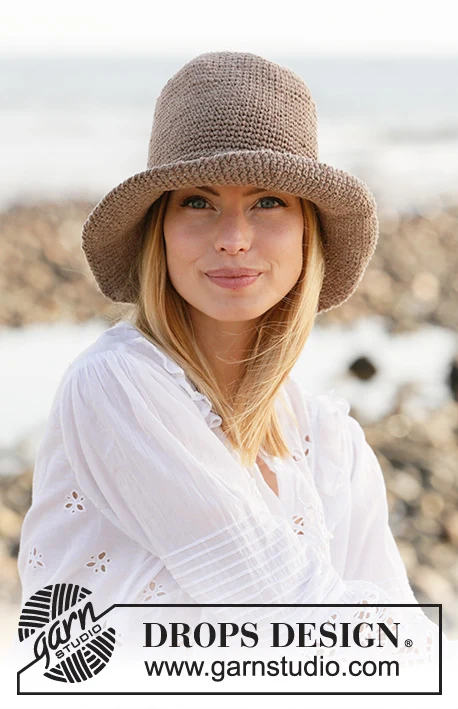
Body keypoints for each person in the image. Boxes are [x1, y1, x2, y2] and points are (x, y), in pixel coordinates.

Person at [17, 51, 456, 675]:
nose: (233, 238)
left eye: (267, 201)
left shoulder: (334, 446)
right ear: (159, 230)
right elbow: (279, 600)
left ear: (307, 232)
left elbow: (397, 664)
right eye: (198, 202)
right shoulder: (115, 385)